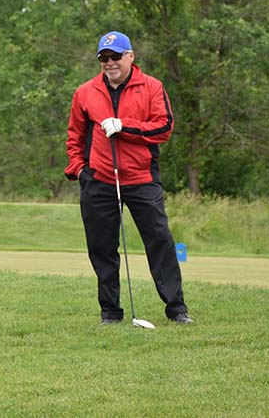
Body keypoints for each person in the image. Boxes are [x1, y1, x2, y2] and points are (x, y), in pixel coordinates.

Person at [64, 31, 192, 325]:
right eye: (104, 58)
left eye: (115, 56)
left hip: (141, 177)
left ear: (130, 57)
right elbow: (75, 135)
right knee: (102, 247)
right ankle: (110, 312)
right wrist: (80, 171)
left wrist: (124, 126)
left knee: (159, 240)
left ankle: (176, 309)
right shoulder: (85, 92)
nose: (110, 63)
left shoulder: (152, 87)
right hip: (99, 179)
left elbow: (164, 128)